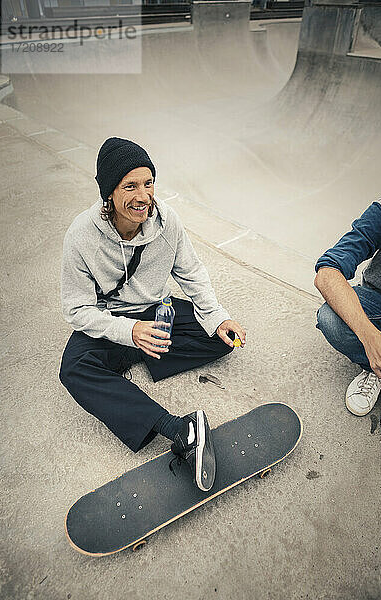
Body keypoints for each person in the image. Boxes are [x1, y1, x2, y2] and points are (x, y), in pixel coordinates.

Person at [59, 137, 246, 491]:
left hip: (159, 311)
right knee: (74, 370)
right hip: (111, 319)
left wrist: (218, 317)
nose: (142, 196)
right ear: (108, 193)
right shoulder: (81, 236)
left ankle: (141, 356)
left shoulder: (166, 221)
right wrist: (129, 332)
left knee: (221, 339)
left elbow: (190, 271)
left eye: (148, 183)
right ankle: (180, 428)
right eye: (129, 186)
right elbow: (76, 308)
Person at [315, 194, 381, 442]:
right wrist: (372, 341)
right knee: (330, 318)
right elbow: (327, 272)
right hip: (380, 302)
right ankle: (376, 367)